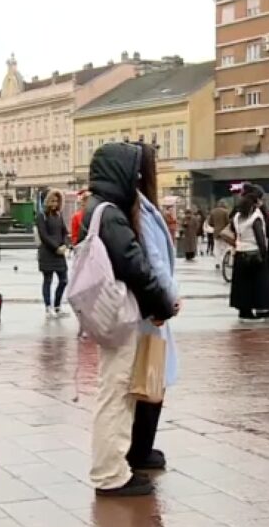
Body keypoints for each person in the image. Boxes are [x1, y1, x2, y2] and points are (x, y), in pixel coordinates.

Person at [80, 142, 177, 497]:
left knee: (115, 390)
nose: (137, 176)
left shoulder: (97, 208)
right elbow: (135, 265)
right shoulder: (110, 214)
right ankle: (110, 474)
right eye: (133, 169)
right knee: (116, 394)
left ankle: (114, 466)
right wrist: (162, 304)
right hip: (120, 315)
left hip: (108, 314)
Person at [128, 143, 179, 474]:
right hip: (152, 305)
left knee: (150, 371)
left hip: (147, 304)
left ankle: (142, 447)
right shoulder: (140, 210)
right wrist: (170, 296)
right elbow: (155, 260)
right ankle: (140, 449)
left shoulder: (140, 207)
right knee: (151, 374)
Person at [229, 184, 269, 320]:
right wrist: (264, 253)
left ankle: (244, 310)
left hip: (240, 252)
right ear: (256, 201)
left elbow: (232, 228)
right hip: (254, 253)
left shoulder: (237, 215)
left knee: (242, 284)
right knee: (259, 284)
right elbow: (260, 236)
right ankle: (261, 308)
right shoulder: (255, 216)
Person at [36, 189, 70, 318]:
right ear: (47, 201)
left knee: (64, 280)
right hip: (47, 253)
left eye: (57, 201)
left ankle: (57, 306)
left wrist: (65, 244)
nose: (55, 204)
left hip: (59, 253)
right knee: (48, 280)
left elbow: (65, 232)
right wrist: (56, 247)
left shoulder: (59, 215)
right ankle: (48, 307)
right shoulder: (42, 216)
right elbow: (43, 235)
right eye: (53, 201)